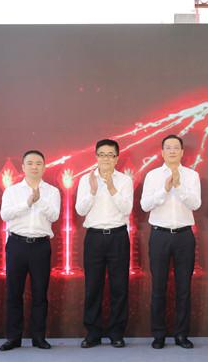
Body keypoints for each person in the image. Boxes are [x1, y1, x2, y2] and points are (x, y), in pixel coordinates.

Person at [140, 134, 201, 349]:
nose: (172, 151)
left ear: (182, 152)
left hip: (184, 235)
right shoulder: (152, 176)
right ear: (162, 152)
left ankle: (181, 334)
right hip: (160, 235)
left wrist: (179, 186)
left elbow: (196, 204)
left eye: (176, 147)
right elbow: (145, 205)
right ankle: (158, 334)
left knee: (184, 287)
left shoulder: (192, 175)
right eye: (168, 147)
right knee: (158, 286)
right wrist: (165, 189)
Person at [0, 150, 60, 351]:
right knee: (14, 293)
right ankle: (13, 337)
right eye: (30, 163)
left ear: (44, 167)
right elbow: (5, 214)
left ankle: (38, 337)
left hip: (41, 246)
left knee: (40, 293)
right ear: (23, 167)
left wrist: (39, 200)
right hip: (16, 245)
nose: (34, 167)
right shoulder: (12, 191)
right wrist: (27, 203)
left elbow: (54, 216)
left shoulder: (52, 191)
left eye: (38, 163)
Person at [76, 139, 133, 348]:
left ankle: (117, 332)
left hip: (118, 236)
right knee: (93, 286)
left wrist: (111, 187)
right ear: (96, 157)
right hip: (94, 237)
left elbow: (126, 209)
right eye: (102, 154)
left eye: (110, 155)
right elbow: (80, 210)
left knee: (119, 286)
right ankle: (93, 332)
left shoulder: (124, 180)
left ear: (117, 158)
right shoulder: (86, 180)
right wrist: (92, 191)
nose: (106, 158)